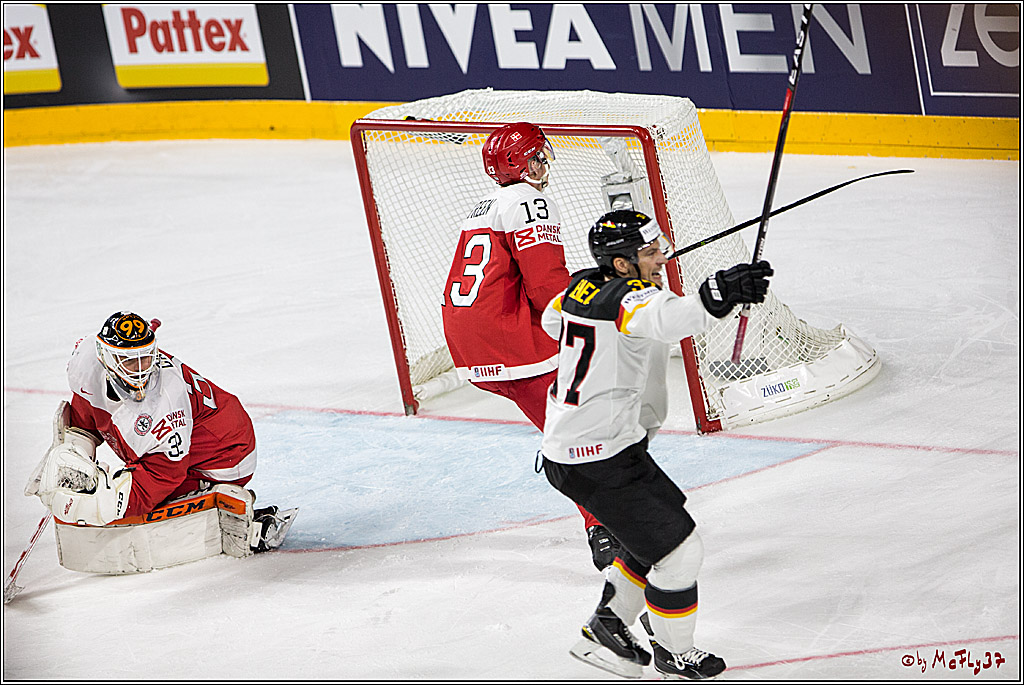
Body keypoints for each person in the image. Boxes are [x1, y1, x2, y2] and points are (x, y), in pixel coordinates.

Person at [538, 209, 773, 679]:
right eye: (649, 253)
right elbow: (670, 317)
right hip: (596, 456)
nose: (661, 259)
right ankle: (667, 651)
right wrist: (715, 297)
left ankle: (610, 625)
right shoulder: (630, 300)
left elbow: (551, 322)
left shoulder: (579, 288)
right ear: (621, 264)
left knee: (649, 545)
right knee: (681, 554)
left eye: (659, 247)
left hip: (602, 447)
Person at [441, 121, 620, 570]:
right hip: (511, 343)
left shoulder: (485, 205)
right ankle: (605, 528)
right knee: (581, 431)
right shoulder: (531, 201)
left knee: (574, 418)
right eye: (538, 156)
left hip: (469, 342)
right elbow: (546, 289)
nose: (544, 165)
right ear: (522, 163)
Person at [25, 311, 295, 571]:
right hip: (193, 439)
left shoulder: (165, 401)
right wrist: (75, 450)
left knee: (129, 504)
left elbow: (164, 474)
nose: (141, 370)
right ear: (105, 357)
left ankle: (217, 498)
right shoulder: (86, 359)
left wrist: (99, 505)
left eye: (145, 358)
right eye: (130, 361)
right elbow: (88, 407)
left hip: (225, 452)